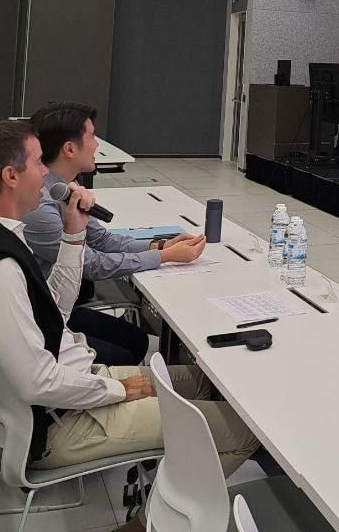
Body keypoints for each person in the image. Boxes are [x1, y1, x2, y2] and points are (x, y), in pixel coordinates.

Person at [0, 121, 258, 532]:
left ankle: (164, 475)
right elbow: (37, 382)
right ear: (10, 176)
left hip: (73, 384)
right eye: (38, 163)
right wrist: (119, 390)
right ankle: (147, 523)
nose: (47, 175)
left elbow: (55, 311)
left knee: (204, 382)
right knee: (242, 429)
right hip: (60, 421)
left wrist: (74, 235)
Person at [23, 102, 205, 367]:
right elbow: (92, 263)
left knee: (136, 340)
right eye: (92, 136)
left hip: (58, 304)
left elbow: (102, 239)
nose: (97, 144)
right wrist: (165, 257)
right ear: (70, 149)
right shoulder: (41, 203)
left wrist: (158, 246)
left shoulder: (66, 187)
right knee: (125, 356)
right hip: (40, 316)